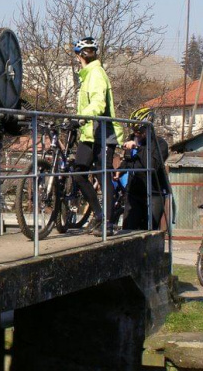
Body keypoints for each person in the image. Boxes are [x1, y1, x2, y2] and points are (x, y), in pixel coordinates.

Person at [72, 37, 125, 237]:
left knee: (104, 176)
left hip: (103, 133)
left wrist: (80, 118)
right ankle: (99, 214)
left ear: (79, 56)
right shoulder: (87, 75)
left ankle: (109, 223)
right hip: (89, 133)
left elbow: (98, 104)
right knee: (78, 172)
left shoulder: (96, 74)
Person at [114, 107, 169, 230]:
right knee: (128, 228)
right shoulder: (132, 139)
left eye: (139, 130)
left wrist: (138, 149)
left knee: (149, 229)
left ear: (147, 128)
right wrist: (119, 171)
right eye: (133, 130)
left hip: (154, 192)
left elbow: (152, 165)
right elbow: (129, 161)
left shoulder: (160, 144)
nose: (136, 133)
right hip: (134, 191)